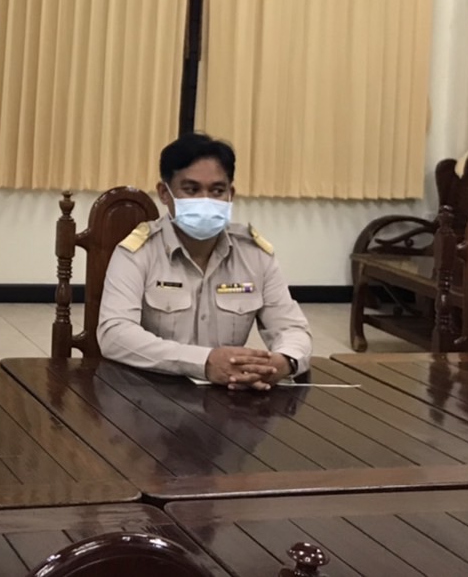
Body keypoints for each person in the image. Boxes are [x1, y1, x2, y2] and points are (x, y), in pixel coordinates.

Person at [97, 133, 312, 389]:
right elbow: (115, 334)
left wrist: (282, 362)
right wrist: (204, 362)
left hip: (231, 395)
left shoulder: (254, 254)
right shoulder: (138, 252)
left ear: (231, 194)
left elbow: (292, 329)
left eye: (217, 191)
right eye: (191, 190)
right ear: (164, 193)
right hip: (150, 391)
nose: (205, 200)